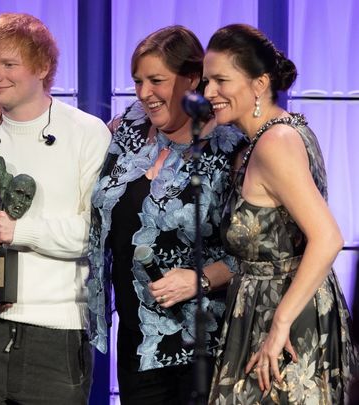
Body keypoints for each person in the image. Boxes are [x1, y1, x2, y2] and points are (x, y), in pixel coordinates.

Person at [0, 12, 111, 404]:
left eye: (9, 64)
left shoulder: (86, 133)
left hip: (57, 335)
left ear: (42, 67)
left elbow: (95, 231)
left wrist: (24, 232)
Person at [86, 26, 243, 405]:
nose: (144, 93)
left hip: (203, 343)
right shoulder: (129, 126)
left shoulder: (229, 147)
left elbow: (259, 252)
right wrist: (2, 111)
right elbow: (73, 140)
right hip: (138, 340)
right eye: (138, 81)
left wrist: (201, 279)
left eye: (156, 81)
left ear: (192, 78)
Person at [203, 23, 357, 404]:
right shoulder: (274, 134)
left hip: (284, 319)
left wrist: (280, 324)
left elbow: (328, 237)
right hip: (264, 311)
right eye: (207, 81)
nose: (208, 93)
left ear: (259, 84)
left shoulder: (277, 142)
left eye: (221, 80)